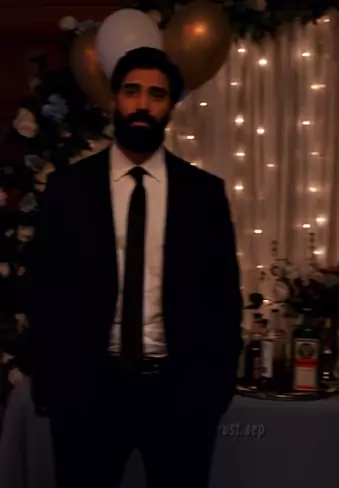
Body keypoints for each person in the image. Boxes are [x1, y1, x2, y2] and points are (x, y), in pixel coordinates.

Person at [26, 47, 243, 488]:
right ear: (114, 99)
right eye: (132, 91)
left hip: (179, 395)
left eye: (156, 95)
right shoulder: (68, 190)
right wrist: (55, 384)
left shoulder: (204, 194)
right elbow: (44, 291)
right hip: (88, 392)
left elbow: (224, 300)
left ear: (171, 107)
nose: (143, 105)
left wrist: (212, 391)